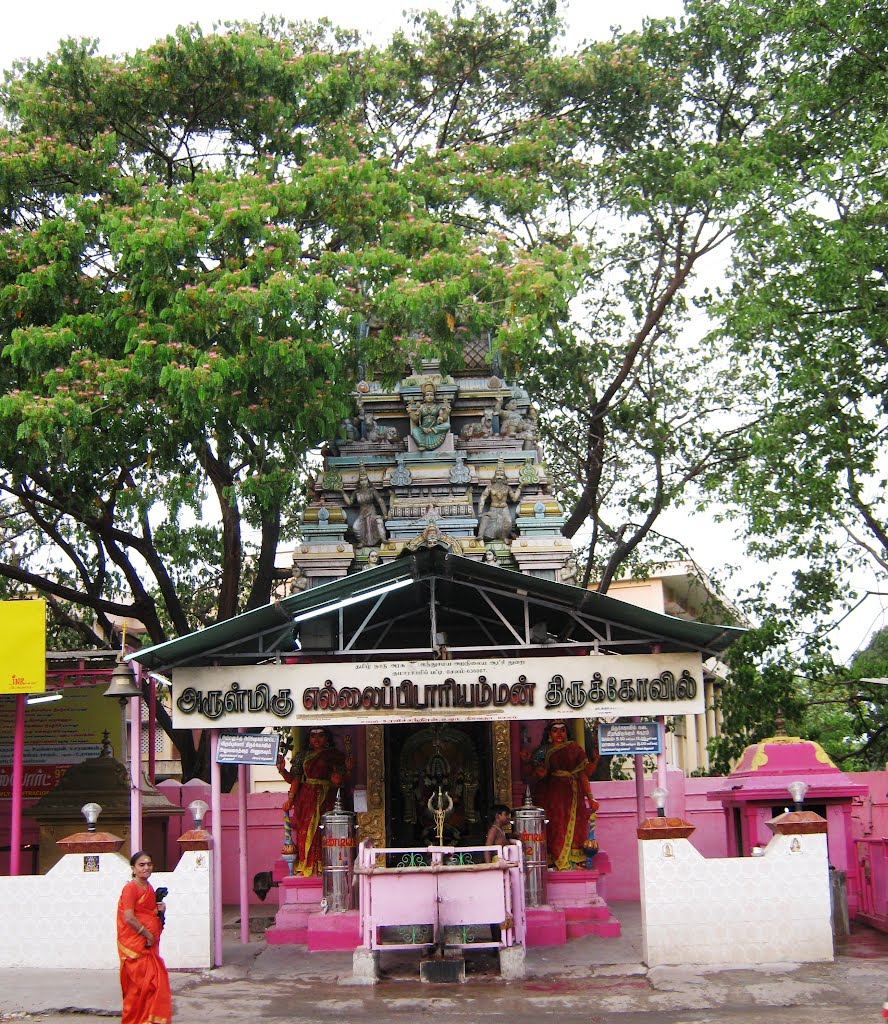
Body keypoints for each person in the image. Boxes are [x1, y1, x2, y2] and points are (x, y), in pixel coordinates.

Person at [277, 728, 352, 877]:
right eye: (313, 736)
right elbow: (294, 779)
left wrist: (347, 770)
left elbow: (338, 780)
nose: (316, 739)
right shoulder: (302, 756)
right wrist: (282, 770)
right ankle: (306, 866)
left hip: (326, 798)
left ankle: (323, 866)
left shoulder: (333, 756)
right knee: (304, 832)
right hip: (305, 800)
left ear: (327, 738)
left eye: (321, 736)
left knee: (323, 831)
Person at [525, 721, 599, 871]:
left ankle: (575, 861)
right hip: (551, 794)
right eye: (555, 730)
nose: (559, 734)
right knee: (554, 825)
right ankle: (555, 861)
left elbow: (584, 774)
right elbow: (536, 775)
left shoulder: (575, 749)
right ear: (549, 734)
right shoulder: (543, 751)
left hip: (573, 794)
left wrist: (591, 797)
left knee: (577, 824)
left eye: (563, 730)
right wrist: (532, 766)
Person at [117, 851, 172, 1024]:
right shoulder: (130, 888)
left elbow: (149, 913)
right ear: (133, 869)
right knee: (138, 989)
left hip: (149, 948)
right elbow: (129, 917)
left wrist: (160, 909)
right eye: (142, 865)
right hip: (135, 947)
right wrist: (147, 934)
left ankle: (149, 1019)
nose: (146, 867)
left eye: (149, 864)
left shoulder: (148, 888)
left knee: (154, 985)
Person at [341, 464, 388, 548]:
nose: (363, 482)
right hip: (362, 513)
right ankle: (362, 541)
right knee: (355, 527)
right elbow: (349, 503)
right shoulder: (357, 492)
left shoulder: (371, 490)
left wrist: (385, 513)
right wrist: (342, 492)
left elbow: (380, 501)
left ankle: (383, 538)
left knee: (379, 522)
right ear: (359, 481)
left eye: (365, 479)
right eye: (361, 480)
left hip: (371, 511)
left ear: (367, 480)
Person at [477, 463, 521, 542]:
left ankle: (504, 536)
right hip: (493, 508)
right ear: (494, 476)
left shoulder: (507, 488)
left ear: (504, 477)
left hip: (504, 508)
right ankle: (485, 536)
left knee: (508, 522)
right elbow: (482, 498)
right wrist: (480, 511)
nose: (499, 477)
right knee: (489, 523)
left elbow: (514, 499)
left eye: (501, 475)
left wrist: (520, 487)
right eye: (497, 474)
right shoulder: (490, 487)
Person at [407, 381, 451, 450]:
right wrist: (410, 412)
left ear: (434, 397)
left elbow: (443, 417)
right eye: (427, 395)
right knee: (415, 431)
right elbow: (416, 420)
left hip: (434, 430)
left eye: (431, 395)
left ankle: (431, 431)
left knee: (447, 425)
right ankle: (422, 444)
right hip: (423, 430)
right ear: (424, 397)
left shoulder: (437, 407)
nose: (429, 397)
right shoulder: (421, 407)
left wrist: (445, 413)